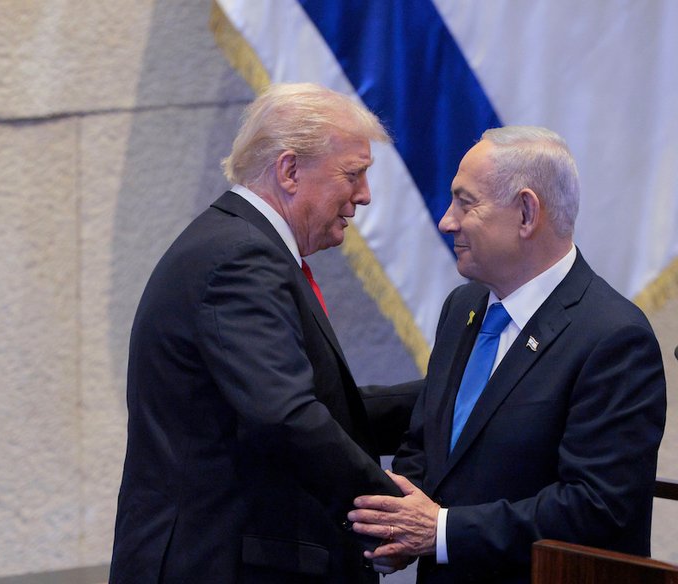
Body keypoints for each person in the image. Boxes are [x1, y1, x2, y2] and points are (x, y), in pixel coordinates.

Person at [108, 83, 417, 583]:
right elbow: (285, 417)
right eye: (353, 174)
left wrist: (447, 399)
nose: (363, 195)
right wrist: (390, 515)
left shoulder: (235, 245)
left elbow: (307, 406)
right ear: (290, 170)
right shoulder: (240, 258)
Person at [348, 126, 667, 583]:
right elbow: (425, 442)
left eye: (466, 203)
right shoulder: (463, 307)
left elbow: (597, 507)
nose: (447, 221)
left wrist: (441, 531)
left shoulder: (613, 337)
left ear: (525, 213)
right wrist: (399, 525)